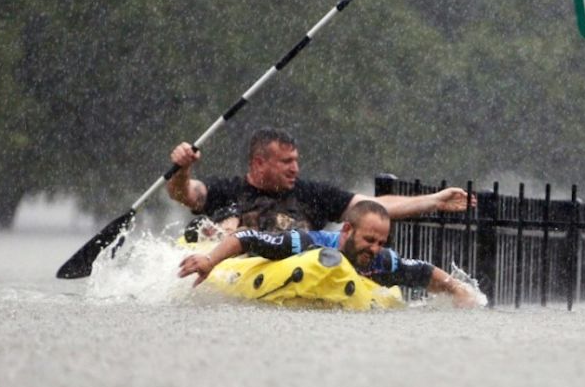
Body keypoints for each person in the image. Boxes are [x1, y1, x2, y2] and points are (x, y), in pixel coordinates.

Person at [167, 127, 472, 235]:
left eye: (296, 160)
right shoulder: (226, 190)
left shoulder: (312, 194)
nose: (295, 169)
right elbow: (185, 194)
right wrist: (181, 168)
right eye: (286, 162)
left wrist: (433, 200)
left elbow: (372, 206)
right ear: (259, 163)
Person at [178, 200, 481, 308]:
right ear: (347, 230)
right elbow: (247, 238)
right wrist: (210, 260)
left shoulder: (380, 260)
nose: (374, 248)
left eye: (381, 241)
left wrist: (458, 289)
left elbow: (423, 271)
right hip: (267, 273)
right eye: (369, 239)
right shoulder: (307, 241)